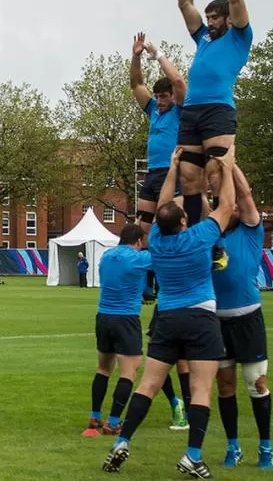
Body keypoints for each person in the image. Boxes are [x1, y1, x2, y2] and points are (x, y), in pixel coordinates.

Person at [103, 145, 235, 479]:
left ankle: (121, 442)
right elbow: (228, 206)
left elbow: (162, 206)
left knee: (147, 385)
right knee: (202, 390)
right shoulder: (200, 237)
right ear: (185, 221)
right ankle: (192, 456)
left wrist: (173, 168)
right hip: (200, 318)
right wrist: (228, 167)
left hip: (167, 318)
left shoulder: (157, 242)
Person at [175, 0, 252, 261]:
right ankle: (200, 241)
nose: (209, 22)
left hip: (219, 111)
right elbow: (184, 5)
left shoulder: (239, 35)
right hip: (192, 111)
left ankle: (220, 239)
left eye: (215, 17)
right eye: (207, 18)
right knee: (190, 178)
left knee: (217, 172)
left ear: (228, 19)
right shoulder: (203, 38)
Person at [212, 164, 273, 469]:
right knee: (225, 386)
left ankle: (265, 447)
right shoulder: (211, 233)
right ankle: (233, 446)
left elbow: (247, 196)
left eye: (235, 203)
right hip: (217, 322)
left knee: (256, 384)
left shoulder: (251, 230)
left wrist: (230, 164)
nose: (234, 206)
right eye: (228, 203)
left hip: (249, 319)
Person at [130, 32, 186, 300]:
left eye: (165, 96)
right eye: (158, 96)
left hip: (171, 174)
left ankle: (168, 282)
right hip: (152, 175)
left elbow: (179, 82)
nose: (161, 101)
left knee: (170, 225)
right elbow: (135, 84)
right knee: (143, 228)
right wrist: (136, 56)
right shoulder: (153, 110)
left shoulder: (179, 110)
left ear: (172, 96)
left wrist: (159, 55)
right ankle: (146, 285)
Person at [82, 224, 151, 438]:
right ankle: (113, 422)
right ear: (139, 241)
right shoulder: (138, 258)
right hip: (126, 317)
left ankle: (95, 416)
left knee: (103, 369)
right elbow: (164, 257)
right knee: (129, 372)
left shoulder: (106, 256)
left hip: (103, 316)